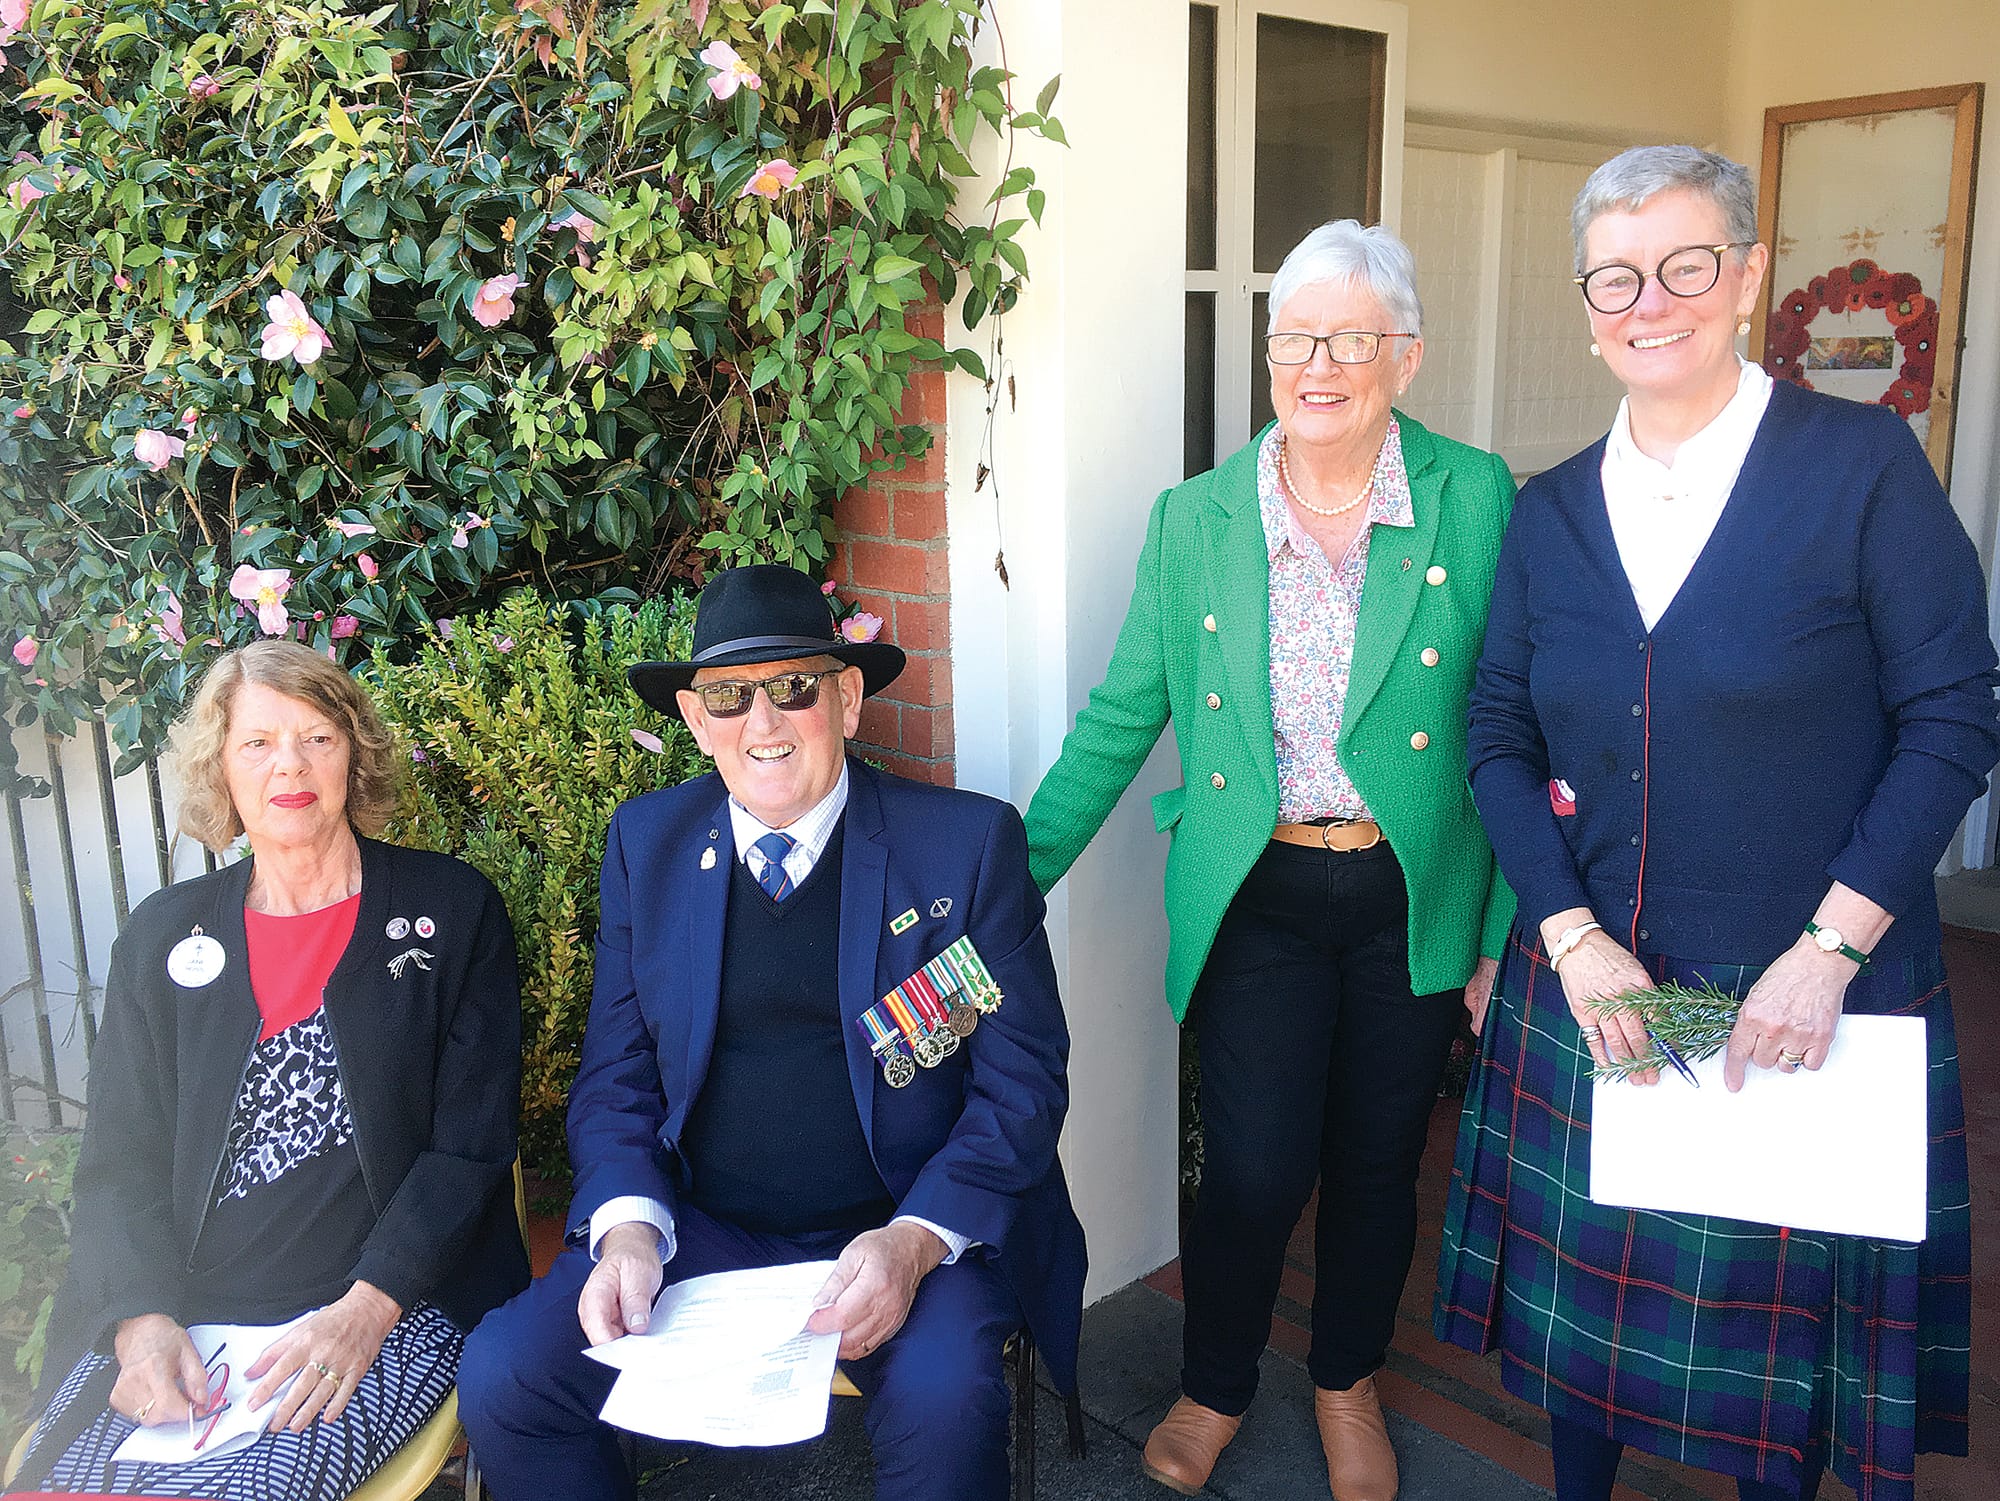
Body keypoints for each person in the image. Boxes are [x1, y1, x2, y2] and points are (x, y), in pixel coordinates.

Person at [1434, 145, 1999, 1501]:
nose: (1652, 301)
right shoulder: (1550, 509)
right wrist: (1564, 937)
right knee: (1585, 1336)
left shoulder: (1863, 470)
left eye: (1687, 265)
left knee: (1785, 1378)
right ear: (1587, 305)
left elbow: (1954, 719)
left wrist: (1832, 950)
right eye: (1618, 276)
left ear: (1745, 277)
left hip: (1807, 992)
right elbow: (1496, 733)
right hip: (1603, 988)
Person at [1023, 220, 1515, 1501]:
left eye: (1349, 339)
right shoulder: (1194, 518)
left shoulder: (1473, 495)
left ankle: (1346, 1377)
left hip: (1415, 889)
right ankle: (1215, 1377)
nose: (1317, 366)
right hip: (1255, 887)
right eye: (1293, 338)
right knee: (1246, 1164)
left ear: (1401, 355)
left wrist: (1507, 932)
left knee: (1373, 1158)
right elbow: (1124, 714)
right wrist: (1005, 879)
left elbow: (1523, 723)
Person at [457, 564, 1087, 1501]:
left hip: (905, 1222)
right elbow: (618, 1071)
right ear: (694, 716)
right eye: (730, 695)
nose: (764, 723)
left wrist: (915, 1239)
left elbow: (1022, 1082)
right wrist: (628, 1226)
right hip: (705, 1229)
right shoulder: (648, 844)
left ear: (848, 699)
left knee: (948, 1399)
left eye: (794, 687)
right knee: (506, 1372)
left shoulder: (963, 846)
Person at [13, 640, 529, 1499]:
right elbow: (117, 1163)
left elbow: (470, 1148)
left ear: (353, 753)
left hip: (387, 1301)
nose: (289, 765)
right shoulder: (162, 938)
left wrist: (366, 1309)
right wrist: (142, 1320)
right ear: (221, 764)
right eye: (257, 742)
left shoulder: (451, 909)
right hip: (184, 1311)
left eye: (317, 737)